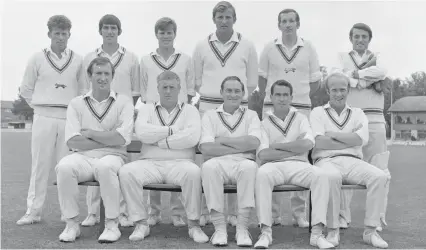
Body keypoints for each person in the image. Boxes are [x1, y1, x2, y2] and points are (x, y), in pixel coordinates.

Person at [119, 71, 209, 243]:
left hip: (181, 163)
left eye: (172, 87)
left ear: (179, 89)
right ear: (158, 89)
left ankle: (194, 225)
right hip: (150, 163)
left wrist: (161, 142)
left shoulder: (190, 110)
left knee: (194, 173)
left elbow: (192, 136)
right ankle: (141, 223)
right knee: (126, 172)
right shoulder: (147, 109)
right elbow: (143, 133)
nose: (168, 91)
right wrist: (173, 130)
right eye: (164, 87)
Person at [192, 0, 258, 227]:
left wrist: (238, 99)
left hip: (238, 103)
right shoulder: (202, 45)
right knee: (209, 158)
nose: (223, 21)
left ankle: (233, 213)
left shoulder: (247, 44)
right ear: (214, 19)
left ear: (234, 19)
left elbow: (251, 81)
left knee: (237, 156)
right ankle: (206, 210)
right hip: (208, 105)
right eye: (220, 17)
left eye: (228, 17)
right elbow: (196, 78)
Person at [254, 8, 322, 227]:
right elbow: (262, 79)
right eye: (284, 21)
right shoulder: (269, 48)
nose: (288, 24)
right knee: (269, 157)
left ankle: (299, 213)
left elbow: (315, 82)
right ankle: (272, 214)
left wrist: (298, 98)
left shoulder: (309, 47)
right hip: (272, 106)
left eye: (292, 21)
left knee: (301, 157)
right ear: (279, 25)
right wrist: (273, 100)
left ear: (298, 23)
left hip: (301, 107)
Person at [55, 57, 134, 243]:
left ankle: (112, 224)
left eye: (107, 73)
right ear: (90, 75)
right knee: (64, 167)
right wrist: (108, 139)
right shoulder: (76, 103)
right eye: (98, 73)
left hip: (114, 156)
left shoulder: (124, 102)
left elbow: (122, 139)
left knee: (105, 167)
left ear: (112, 77)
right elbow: (74, 142)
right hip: (83, 157)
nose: (103, 78)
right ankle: (72, 224)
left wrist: (90, 133)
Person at [17, 15, 86, 225]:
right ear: (49, 34)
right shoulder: (37, 58)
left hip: (68, 119)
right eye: (57, 33)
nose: (61, 37)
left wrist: (76, 116)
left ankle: (68, 213)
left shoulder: (78, 59)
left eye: (64, 34)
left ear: (69, 35)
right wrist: (40, 107)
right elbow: (26, 89)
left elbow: (83, 91)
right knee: (40, 166)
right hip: (43, 117)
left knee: (66, 167)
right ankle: (33, 211)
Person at [310, 71, 388, 248]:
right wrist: (348, 139)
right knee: (331, 177)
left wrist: (334, 136)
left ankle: (370, 231)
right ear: (328, 92)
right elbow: (319, 142)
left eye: (343, 90)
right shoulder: (317, 112)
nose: (339, 94)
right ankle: (332, 230)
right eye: (334, 90)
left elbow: (361, 140)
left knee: (380, 176)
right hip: (326, 160)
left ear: (348, 91)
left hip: (353, 161)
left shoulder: (358, 113)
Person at [254, 80, 334, 249]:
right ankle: (265, 233)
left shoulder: (301, 118)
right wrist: (294, 148)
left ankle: (317, 234)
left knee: (321, 176)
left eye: (285, 95)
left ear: (291, 97)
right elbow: (263, 154)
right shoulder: (264, 122)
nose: (282, 99)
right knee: (261, 174)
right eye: (278, 95)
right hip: (273, 166)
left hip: (300, 164)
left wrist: (277, 146)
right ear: (271, 97)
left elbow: (307, 144)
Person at [81, 14, 140, 227]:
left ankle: (123, 213)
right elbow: (84, 87)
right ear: (100, 31)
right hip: (95, 112)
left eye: (113, 28)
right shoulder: (89, 57)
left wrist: (124, 112)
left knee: (119, 165)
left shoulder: (132, 57)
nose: (109, 31)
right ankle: (93, 212)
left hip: (120, 115)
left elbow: (135, 91)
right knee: (93, 159)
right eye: (106, 27)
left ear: (119, 31)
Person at [140, 17, 195, 227]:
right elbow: (143, 90)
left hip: (179, 115)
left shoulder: (185, 59)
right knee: (152, 161)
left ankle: (177, 213)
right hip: (154, 115)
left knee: (179, 162)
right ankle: (153, 213)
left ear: (175, 34)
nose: (165, 36)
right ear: (156, 34)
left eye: (169, 32)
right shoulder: (146, 59)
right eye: (161, 32)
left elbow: (190, 89)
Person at [337, 23, 391, 231]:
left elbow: (382, 70)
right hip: (350, 120)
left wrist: (356, 76)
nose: (360, 40)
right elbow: (339, 78)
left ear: (369, 39)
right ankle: (343, 216)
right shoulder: (341, 57)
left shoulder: (378, 55)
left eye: (364, 37)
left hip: (376, 120)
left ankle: (377, 218)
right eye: (356, 36)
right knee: (344, 168)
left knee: (381, 170)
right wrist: (369, 79)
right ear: (351, 38)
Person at [199, 76, 262, 246]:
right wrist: (242, 143)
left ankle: (242, 229)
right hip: (217, 162)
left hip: (244, 162)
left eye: (237, 91)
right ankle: (220, 229)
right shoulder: (210, 115)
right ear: (221, 92)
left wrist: (220, 141)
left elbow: (254, 143)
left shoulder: (251, 115)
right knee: (208, 167)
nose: (233, 94)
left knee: (250, 167)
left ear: (243, 94)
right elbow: (206, 148)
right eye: (229, 90)